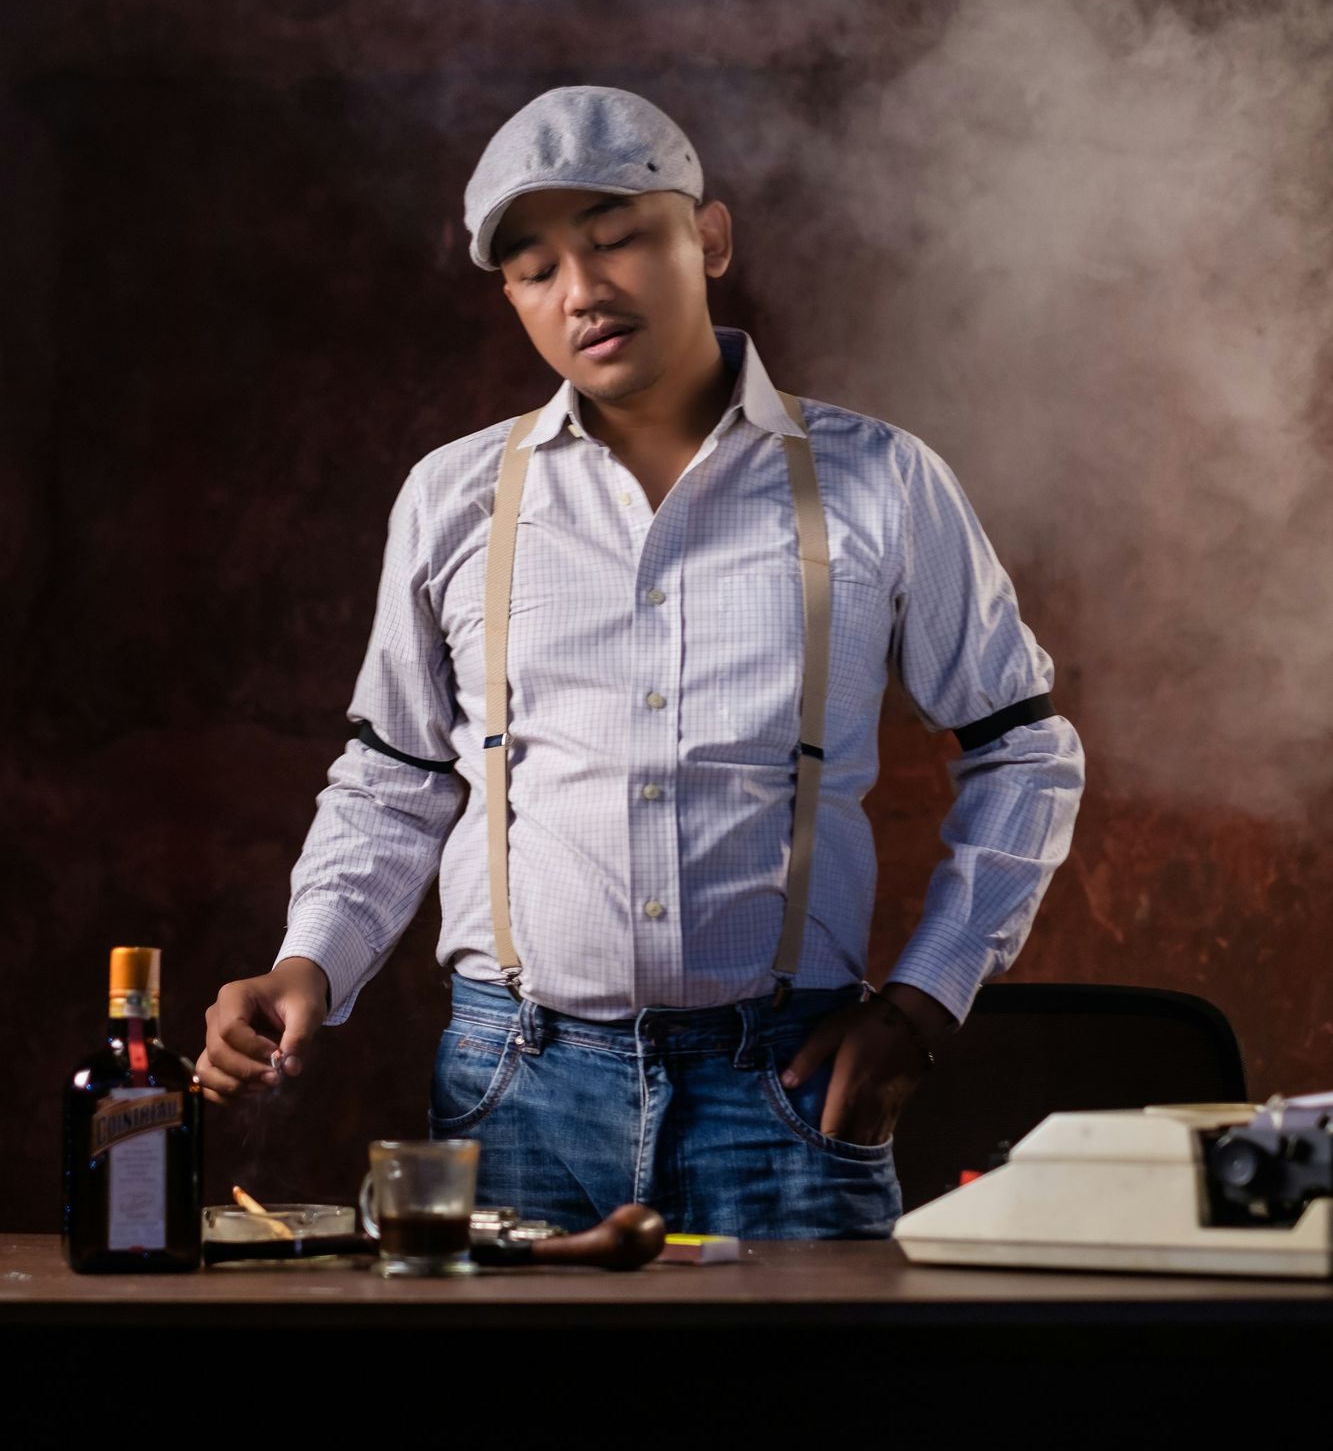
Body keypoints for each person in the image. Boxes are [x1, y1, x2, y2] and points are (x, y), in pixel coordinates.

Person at [197, 84, 1085, 1238]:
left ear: (707, 237)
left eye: (616, 237)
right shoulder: (452, 498)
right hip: (511, 1086)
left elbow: (1022, 751)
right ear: (510, 294)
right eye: (534, 268)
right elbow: (396, 774)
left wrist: (920, 1007)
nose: (582, 290)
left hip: (786, 1089)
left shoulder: (882, 481)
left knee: (821, 1423)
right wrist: (306, 960)